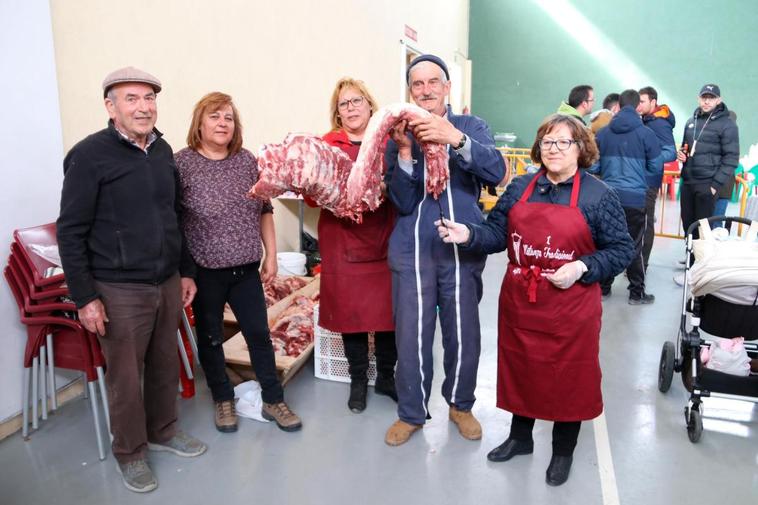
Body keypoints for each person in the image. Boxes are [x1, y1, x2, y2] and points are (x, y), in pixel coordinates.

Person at [437, 114, 633, 486]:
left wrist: (582, 267)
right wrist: (469, 234)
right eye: (547, 142)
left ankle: (562, 451)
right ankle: (520, 438)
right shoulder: (521, 187)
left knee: (569, 378)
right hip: (521, 303)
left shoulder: (598, 195)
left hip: (571, 308)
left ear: (581, 149)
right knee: (522, 370)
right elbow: (497, 233)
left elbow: (622, 249)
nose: (554, 149)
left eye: (563, 142)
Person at [56, 66, 206, 494]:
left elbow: (174, 217)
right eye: (132, 99)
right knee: (125, 375)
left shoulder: (161, 151)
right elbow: (70, 231)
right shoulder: (89, 156)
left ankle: (163, 430)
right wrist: (85, 297)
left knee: (164, 363)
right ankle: (130, 453)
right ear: (111, 106)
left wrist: (186, 271)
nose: (144, 107)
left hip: (165, 280)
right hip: (118, 288)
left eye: (149, 98)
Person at [383, 54, 506, 446]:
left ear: (447, 86)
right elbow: (401, 201)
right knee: (411, 335)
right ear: (410, 91)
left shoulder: (471, 126)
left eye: (432, 82)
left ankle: (460, 404)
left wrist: (453, 137)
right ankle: (411, 413)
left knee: (463, 332)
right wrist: (404, 151)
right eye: (417, 84)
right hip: (413, 249)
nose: (425, 90)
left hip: (460, 249)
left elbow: (497, 172)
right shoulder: (398, 132)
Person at [175, 92, 302, 433]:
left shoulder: (247, 161)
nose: (222, 123)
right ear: (199, 123)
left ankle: (274, 399)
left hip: (245, 269)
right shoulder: (181, 164)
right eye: (215, 116)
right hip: (204, 272)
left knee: (259, 334)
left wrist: (271, 255)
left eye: (228, 117)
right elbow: (171, 220)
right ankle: (222, 399)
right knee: (211, 338)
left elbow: (264, 210)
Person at [316, 78, 398, 413]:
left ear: (369, 104)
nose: (350, 108)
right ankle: (358, 380)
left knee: (387, 315)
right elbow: (312, 191)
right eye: (343, 104)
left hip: (384, 235)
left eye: (356, 101)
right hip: (342, 238)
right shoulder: (327, 143)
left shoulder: (388, 141)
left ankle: (387, 378)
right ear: (337, 112)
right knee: (351, 316)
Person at [594, 89, 662, 304]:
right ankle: (636, 293)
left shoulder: (603, 133)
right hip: (635, 199)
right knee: (636, 246)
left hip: (608, 198)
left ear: (619, 106)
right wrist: (642, 183)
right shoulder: (646, 134)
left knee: (607, 242)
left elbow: (594, 165)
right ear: (637, 107)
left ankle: (603, 288)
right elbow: (656, 165)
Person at [675, 84, 739, 284]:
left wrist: (715, 185)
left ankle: (699, 273)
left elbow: (731, 158)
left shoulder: (727, 124)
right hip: (689, 182)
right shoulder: (690, 121)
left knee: (705, 230)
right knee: (688, 225)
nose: (707, 101)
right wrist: (682, 156)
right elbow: (686, 148)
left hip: (707, 184)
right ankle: (692, 266)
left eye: (711, 98)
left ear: (718, 100)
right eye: (704, 97)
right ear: (698, 98)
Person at [637, 86, 676, 270]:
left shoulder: (659, 123)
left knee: (645, 223)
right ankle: (635, 264)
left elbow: (670, 152)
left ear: (653, 102)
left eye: (642, 101)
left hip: (649, 181)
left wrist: (649, 159)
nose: (639, 105)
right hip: (639, 179)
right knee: (638, 222)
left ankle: (642, 264)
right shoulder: (646, 120)